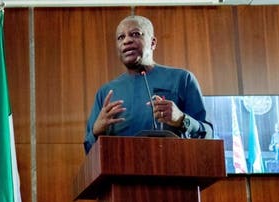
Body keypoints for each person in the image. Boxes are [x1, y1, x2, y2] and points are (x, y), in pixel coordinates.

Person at [84, 15, 213, 153]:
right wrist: (96, 131)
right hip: (121, 172)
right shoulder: (106, 92)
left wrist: (181, 119)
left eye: (135, 34)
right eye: (121, 37)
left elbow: (208, 136)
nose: (127, 40)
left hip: (172, 169)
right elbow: (89, 149)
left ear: (153, 42)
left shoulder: (182, 79)